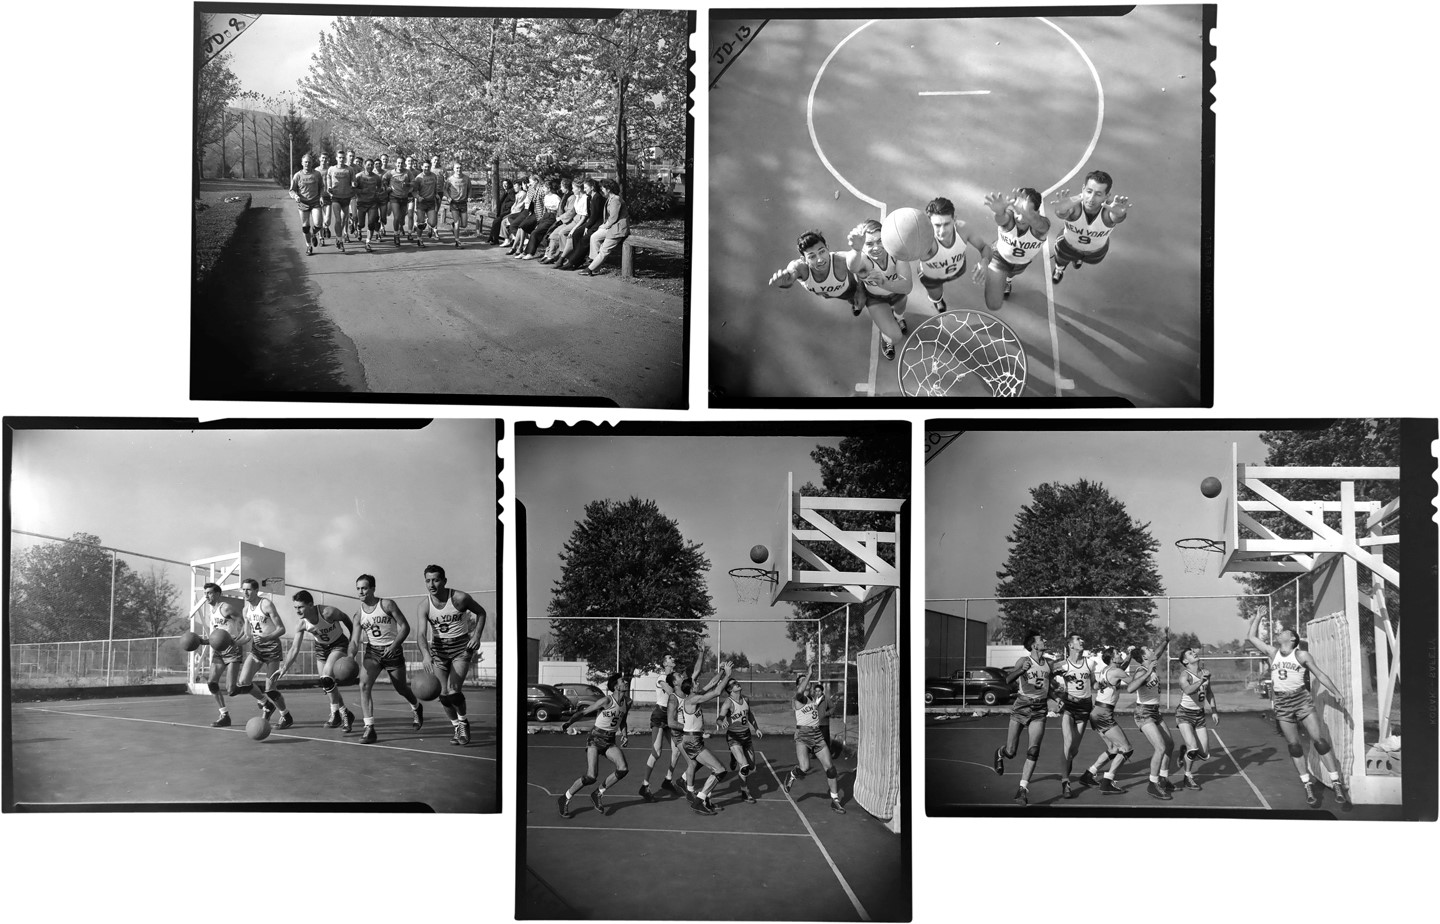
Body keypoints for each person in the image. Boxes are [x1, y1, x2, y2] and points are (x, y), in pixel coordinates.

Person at [1245, 612, 1350, 807]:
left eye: (1283, 631)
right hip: (1283, 703)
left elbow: (1319, 674)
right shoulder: (1273, 653)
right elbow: (1251, 637)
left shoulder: (1301, 655)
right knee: (1294, 745)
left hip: (1301, 699)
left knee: (1319, 741)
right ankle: (1307, 784)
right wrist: (1258, 617)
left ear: (1292, 638)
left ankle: (1336, 782)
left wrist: (1335, 691)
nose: (1279, 633)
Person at [415, 564, 488, 746]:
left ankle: (463, 722)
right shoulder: (424, 606)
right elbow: (421, 634)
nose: (432, 584)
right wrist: (425, 655)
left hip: (461, 648)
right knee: (443, 694)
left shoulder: (459, 598)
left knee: (454, 691)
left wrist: (477, 636)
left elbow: (481, 613)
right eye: (428, 581)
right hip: (439, 651)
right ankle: (456, 726)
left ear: (444, 581)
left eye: (436, 580)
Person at [351, 574, 423, 743]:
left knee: (401, 688)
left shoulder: (387, 604)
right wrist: (349, 656)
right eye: (358, 589)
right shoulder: (358, 614)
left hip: (392, 650)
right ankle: (369, 728)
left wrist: (394, 645)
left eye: (364, 588)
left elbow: (405, 627)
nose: (361, 592)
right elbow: (354, 640)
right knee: (363, 685)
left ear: (373, 588)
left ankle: (416, 707)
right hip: (373, 652)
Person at [274, 590, 356, 730]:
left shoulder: (328, 612)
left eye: (300, 607)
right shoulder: (302, 624)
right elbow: (294, 649)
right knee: (327, 684)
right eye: (295, 608)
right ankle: (344, 713)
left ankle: (335, 713)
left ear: (311, 605)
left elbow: (346, 618)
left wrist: (353, 639)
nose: (297, 611)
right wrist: (284, 668)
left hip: (338, 644)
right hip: (321, 648)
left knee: (327, 676)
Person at [557, 672, 632, 818]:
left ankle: (598, 793)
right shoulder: (606, 701)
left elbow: (622, 720)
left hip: (609, 740)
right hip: (595, 738)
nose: (626, 682)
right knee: (591, 776)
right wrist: (569, 722)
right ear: (616, 686)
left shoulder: (628, 702)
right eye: (623, 681)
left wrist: (624, 734)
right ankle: (565, 797)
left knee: (623, 769)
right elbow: (584, 712)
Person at [638, 641, 704, 801]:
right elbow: (668, 688)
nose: (672, 658)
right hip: (660, 716)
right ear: (664, 663)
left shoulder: (678, 678)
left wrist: (701, 653)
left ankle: (668, 780)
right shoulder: (662, 678)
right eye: (669, 657)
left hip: (672, 717)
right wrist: (678, 688)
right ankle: (644, 785)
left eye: (672, 657)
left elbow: (696, 671)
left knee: (676, 751)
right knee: (657, 752)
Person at [992, 631, 1052, 805]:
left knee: (1034, 750)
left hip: (1040, 709)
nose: (1044, 640)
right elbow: (1008, 679)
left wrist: (1057, 698)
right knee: (1011, 752)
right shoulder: (1023, 661)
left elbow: (1048, 687)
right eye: (1041, 639)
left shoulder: (1047, 664)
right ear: (1034, 645)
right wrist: (1021, 670)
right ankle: (1000, 752)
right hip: (1022, 706)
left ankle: (1022, 790)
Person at [781, 664, 846, 814]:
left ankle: (835, 800)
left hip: (816, 734)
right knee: (805, 767)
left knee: (830, 768)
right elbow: (800, 692)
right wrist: (808, 674)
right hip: (803, 736)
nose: (808, 683)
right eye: (803, 681)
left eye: (808, 680)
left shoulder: (812, 699)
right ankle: (791, 775)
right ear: (799, 685)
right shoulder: (797, 699)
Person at [1047, 170, 1131, 285]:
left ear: (1107, 195)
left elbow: (1116, 217)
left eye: (1098, 194)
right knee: (1061, 260)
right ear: (1083, 189)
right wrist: (1061, 210)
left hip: (1095, 253)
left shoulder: (1110, 210)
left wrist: (1120, 215)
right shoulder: (1074, 205)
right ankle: (1059, 269)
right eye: (1089, 191)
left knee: (1080, 258)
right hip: (1068, 246)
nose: (1091, 198)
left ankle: (1078, 259)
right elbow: (1063, 213)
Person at [971, 187, 1050, 310]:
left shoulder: (1040, 228)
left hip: (1021, 263)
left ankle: (1008, 280)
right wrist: (999, 212)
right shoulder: (1009, 219)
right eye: (1018, 211)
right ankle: (999, 278)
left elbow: (1042, 225)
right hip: (999, 257)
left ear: (1037, 213)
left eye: (1026, 213)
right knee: (994, 298)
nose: (1020, 218)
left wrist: (1028, 215)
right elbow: (1001, 219)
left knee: (1011, 274)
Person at [845, 219, 912, 361]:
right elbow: (852, 267)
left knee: (901, 307)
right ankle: (887, 339)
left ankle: (899, 318)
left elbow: (907, 287)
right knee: (895, 336)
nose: (876, 247)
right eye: (869, 244)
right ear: (862, 247)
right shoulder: (862, 259)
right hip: (875, 298)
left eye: (880, 241)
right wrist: (856, 250)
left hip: (897, 293)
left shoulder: (897, 253)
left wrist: (884, 283)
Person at [674, 661, 735, 815]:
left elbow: (713, 683)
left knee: (700, 766)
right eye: (695, 682)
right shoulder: (692, 700)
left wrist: (721, 671)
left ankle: (690, 787)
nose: (698, 683)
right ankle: (699, 800)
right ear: (690, 688)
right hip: (692, 741)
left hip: (694, 739)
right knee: (719, 770)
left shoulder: (695, 695)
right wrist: (728, 675)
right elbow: (716, 692)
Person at [234, 578, 293, 729]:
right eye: (243, 589)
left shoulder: (266, 604)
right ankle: (266, 704)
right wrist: (232, 643)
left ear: (255, 591)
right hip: (257, 650)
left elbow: (281, 629)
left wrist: (267, 637)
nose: (245, 592)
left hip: (272, 648)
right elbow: (247, 636)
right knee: (243, 682)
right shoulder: (246, 610)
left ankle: (285, 715)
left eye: (248, 589)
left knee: (270, 689)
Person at [1124, 633, 1175, 800]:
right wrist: (1147, 673)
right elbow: (1130, 688)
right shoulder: (1141, 670)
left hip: (1155, 711)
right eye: (1148, 649)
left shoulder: (1151, 663)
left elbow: (1158, 652)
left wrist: (1166, 641)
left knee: (1169, 745)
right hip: (1143, 713)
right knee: (1160, 747)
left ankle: (1163, 779)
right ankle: (1152, 785)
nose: (1152, 649)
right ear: (1144, 657)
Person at [1077, 647, 1135, 795]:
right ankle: (1107, 781)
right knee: (1126, 749)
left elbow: (1123, 667)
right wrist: (1147, 671)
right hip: (1103, 714)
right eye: (1117, 654)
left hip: (1096, 712)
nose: (1120, 655)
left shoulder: (1107, 670)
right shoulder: (1117, 672)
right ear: (1112, 659)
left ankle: (1089, 774)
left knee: (1113, 749)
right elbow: (1134, 684)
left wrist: (1129, 655)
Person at [767, 229, 863, 317]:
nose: (820, 260)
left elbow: (864, 265)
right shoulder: (800, 268)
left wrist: (860, 290)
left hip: (851, 286)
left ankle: (858, 299)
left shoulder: (842, 260)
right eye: (812, 257)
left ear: (827, 248)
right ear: (804, 259)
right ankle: (853, 302)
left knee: (864, 295)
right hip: (833, 294)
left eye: (822, 252)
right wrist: (787, 282)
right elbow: (791, 274)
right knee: (850, 299)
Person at [918, 197, 991, 313]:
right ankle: (938, 301)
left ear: (954, 220)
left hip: (958, 270)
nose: (942, 231)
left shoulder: (964, 229)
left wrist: (985, 262)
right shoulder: (924, 240)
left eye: (946, 224)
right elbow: (903, 255)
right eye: (937, 225)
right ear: (929, 223)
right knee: (936, 296)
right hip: (931, 278)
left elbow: (984, 247)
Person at [1051, 633, 1095, 800]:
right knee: (1068, 743)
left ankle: (1065, 768)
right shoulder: (1062, 665)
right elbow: (1047, 679)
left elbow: (1094, 683)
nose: (1081, 641)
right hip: (1069, 707)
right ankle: (1065, 781)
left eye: (1081, 639)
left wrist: (1106, 683)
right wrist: (1057, 694)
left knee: (1074, 750)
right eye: (1077, 640)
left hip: (1085, 707)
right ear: (1070, 645)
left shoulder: (1089, 663)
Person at [199, 583, 248, 727]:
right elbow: (217, 635)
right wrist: (204, 641)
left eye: (209, 593)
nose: (206, 596)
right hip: (219, 650)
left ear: (218, 594)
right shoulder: (211, 612)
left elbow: (242, 621)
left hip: (232, 648)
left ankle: (259, 694)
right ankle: (224, 714)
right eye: (205, 593)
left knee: (231, 690)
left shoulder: (225, 608)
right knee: (212, 683)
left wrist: (239, 638)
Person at [1173, 646, 1220, 792]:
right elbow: (1187, 690)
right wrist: (1200, 681)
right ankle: (1188, 777)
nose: (1194, 653)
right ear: (1185, 661)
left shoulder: (1205, 673)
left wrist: (1214, 710)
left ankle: (1183, 752)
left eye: (1194, 651)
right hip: (1184, 714)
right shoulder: (1184, 675)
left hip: (1199, 714)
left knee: (1204, 754)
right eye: (1190, 653)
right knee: (1193, 748)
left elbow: (1209, 692)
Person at [718, 676, 764, 803]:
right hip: (734, 738)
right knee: (744, 767)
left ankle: (734, 757)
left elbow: (749, 714)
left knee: (751, 767)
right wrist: (721, 723)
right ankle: (745, 792)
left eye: (737, 682)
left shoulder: (746, 699)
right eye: (734, 683)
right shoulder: (728, 703)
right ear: (730, 689)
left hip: (746, 737)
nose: (738, 684)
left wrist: (756, 728)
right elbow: (719, 718)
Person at [580, 179, 630, 275]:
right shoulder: (611, 198)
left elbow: (613, 218)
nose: (601, 190)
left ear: (608, 189)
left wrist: (603, 226)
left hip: (617, 229)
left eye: (603, 188)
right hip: (612, 227)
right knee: (594, 237)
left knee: (604, 249)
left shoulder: (616, 200)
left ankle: (590, 269)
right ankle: (595, 263)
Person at [556, 179, 605, 271]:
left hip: (598, 223)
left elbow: (595, 216)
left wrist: (587, 226)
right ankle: (577, 259)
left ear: (592, 187)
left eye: (586, 187)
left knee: (585, 239)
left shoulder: (597, 198)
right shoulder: (591, 197)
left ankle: (573, 262)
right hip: (592, 221)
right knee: (576, 234)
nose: (585, 189)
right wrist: (587, 225)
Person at [288, 153, 325, 257]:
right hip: (303, 204)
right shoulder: (297, 175)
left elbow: (322, 187)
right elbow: (291, 190)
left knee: (318, 224)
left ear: (312, 163)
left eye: (309, 162)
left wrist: (321, 196)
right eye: (305, 162)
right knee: (305, 227)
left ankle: (313, 234)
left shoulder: (317, 174)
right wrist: (295, 196)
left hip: (315, 202)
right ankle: (308, 246)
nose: (307, 164)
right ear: (302, 163)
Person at [325, 152, 356, 252]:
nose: (341, 159)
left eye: (343, 158)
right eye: (339, 158)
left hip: (346, 198)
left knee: (343, 220)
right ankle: (339, 240)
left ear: (345, 158)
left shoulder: (349, 169)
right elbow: (328, 178)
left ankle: (339, 237)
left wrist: (353, 184)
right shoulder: (331, 169)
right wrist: (329, 187)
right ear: (336, 158)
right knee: (338, 219)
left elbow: (353, 180)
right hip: (335, 197)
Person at [353, 158, 383, 253]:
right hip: (361, 203)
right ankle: (358, 228)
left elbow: (380, 187)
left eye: (371, 165)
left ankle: (368, 242)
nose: (370, 167)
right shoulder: (359, 176)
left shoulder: (376, 177)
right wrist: (362, 191)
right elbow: (353, 189)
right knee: (361, 224)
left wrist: (377, 193)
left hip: (372, 203)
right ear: (364, 165)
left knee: (371, 223)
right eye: (368, 165)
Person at [382, 156, 414, 246]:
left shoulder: (408, 172)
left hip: (404, 198)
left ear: (404, 164)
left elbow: (414, 182)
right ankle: (396, 235)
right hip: (394, 197)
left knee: (402, 219)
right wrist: (387, 186)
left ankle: (401, 226)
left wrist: (407, 184)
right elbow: (384, 179)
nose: (400, 164)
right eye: (398, 163)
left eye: (401, 163)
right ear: (396, 163)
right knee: (396, 217)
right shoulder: (391, 172)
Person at [412, 158, 441, 248]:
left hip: (431, 202)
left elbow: (435, 187)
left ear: (430, 167)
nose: (426, 169)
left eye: (428, 167)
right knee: (420, 222)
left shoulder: (434, 176)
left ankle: (427, 223)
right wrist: (418, 197)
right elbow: (413, 191)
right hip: (422, 202)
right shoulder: (419, 178)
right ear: (422, 167)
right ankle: (419, 239)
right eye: (425, 167)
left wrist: (436, 194)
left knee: (432, 223)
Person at [442, 161, 472, 248]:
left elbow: (470, 189)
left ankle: (453, 226)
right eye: (457, 168)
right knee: (457, 222)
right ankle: (457, 241)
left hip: (463, 203)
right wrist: (448, 197)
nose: (459, 169)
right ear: (454, 169)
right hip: (454, 203)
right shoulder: (450, 179)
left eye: (460, 168)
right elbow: (445, 190)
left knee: (464, 224)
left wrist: (469, 196)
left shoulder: (466, 178)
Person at [489, 178, 516, 245]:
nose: (504, 185)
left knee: (497, 221)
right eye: (503, 184)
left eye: (506, 184)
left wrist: (506, 205)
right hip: (502, 211)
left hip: (508, 211)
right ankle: (494, 238)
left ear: (509, 184)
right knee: (496, 221)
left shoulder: (511, 192)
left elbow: (514, 201)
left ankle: (494, 239)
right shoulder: (505, 192)